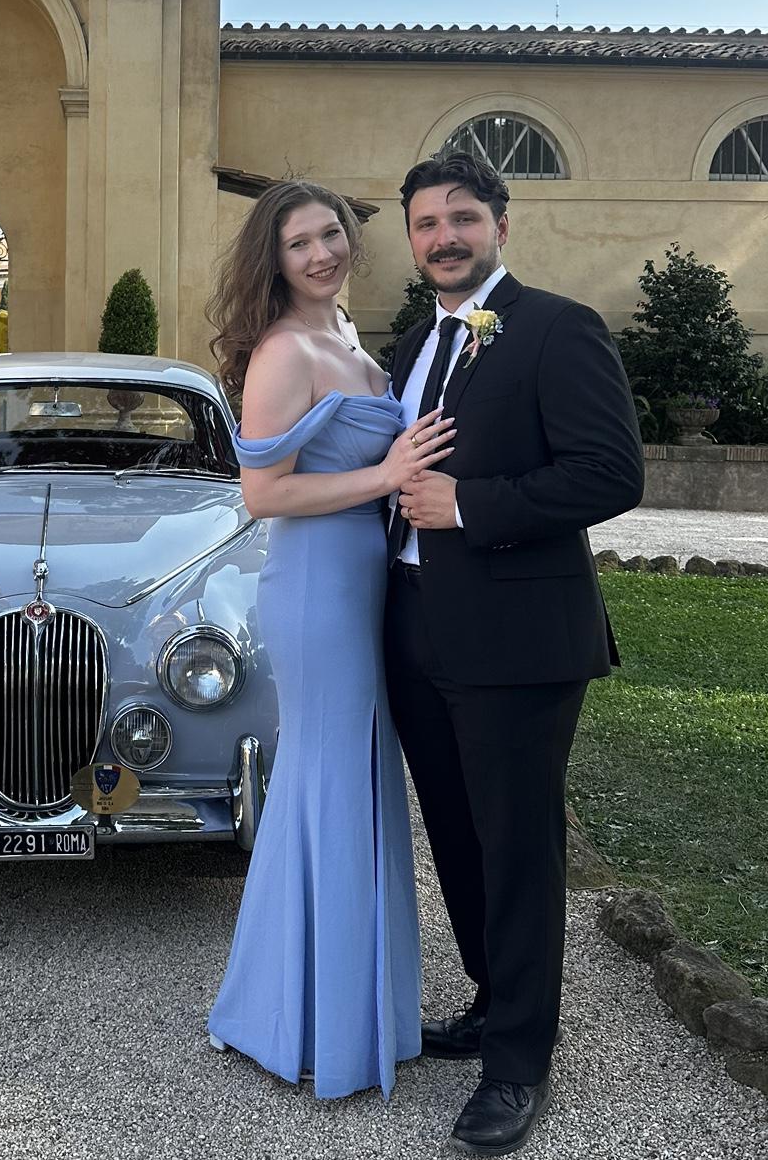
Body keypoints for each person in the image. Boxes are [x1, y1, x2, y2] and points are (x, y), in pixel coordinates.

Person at [385, 151, 643, 1154]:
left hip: (520, 640)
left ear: (501, 224)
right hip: (413, 623)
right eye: (426, 223)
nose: (444, 236)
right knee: (455, 835)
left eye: (462, 218)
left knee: (518, 848)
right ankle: (496, 1000)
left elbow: (610, 473)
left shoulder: (556, 328)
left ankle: (519, 1063)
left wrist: (469, 505)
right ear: (412, 240)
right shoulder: (415, 342)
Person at [204, 179, 456, 1099]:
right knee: (329, 781)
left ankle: (348, 1009)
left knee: (359, 780)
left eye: (330, 235)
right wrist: (385, 476)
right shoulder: (283, 350)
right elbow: (263, 494)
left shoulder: (348, 334)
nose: (321, 254)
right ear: (273, 260)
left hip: (365, 584)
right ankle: (307, 1020)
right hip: (316, 587)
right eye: (299, 243)